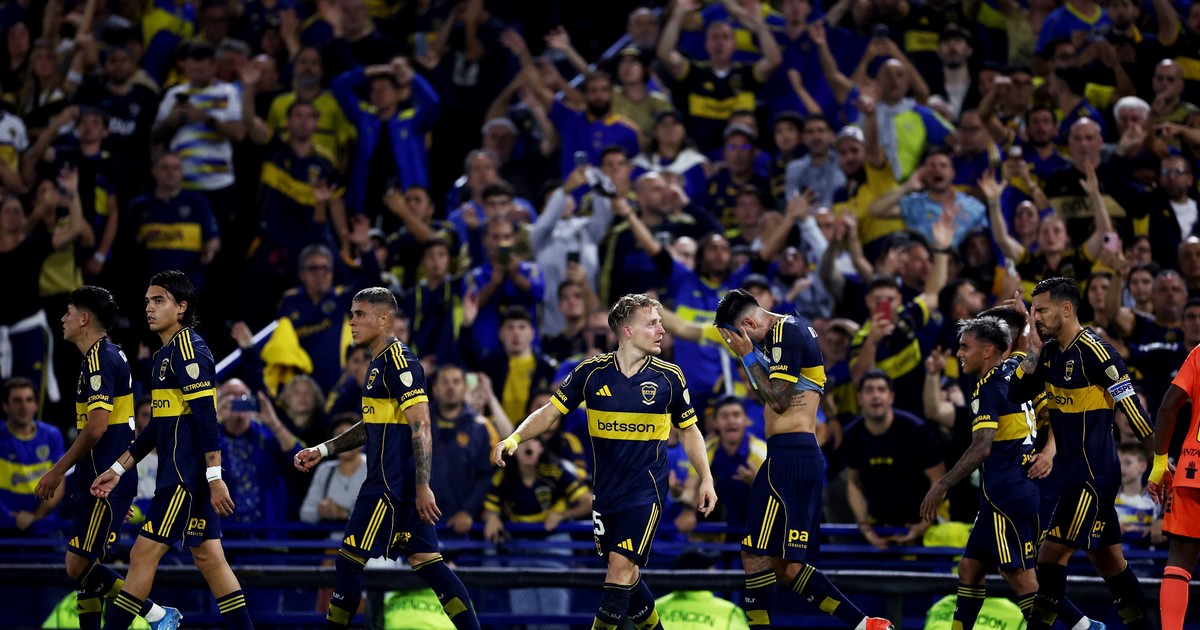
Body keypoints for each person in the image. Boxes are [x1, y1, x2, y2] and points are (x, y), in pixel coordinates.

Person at [493, 293, 717, 630]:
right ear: (627, 331)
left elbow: (689, 431)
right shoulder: (591, 373)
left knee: (618, 568)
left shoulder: (670, 377)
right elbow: (550, 413)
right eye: (652, 324)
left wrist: (706, 478)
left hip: (645, 492)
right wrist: (513, 438)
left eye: (660, 323)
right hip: (606, 494)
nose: (661, 330)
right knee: (628, 576)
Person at [292, 287, 480, 630]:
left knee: (348, 562)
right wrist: (323, 450)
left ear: (384, 319)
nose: (352, 321)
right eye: (351, 314)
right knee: (429, 565)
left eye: (360, 314)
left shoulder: (400, 362)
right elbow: (371, 426)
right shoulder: (377, 363)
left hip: (388, 487)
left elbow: (421, 425)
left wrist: (422, 486)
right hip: (395, 484)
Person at [714, 288, 893, 629]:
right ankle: (865, 625)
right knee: (786, 567)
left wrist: (747, 355)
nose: (736, 343)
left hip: (790, 456)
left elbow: (779, 401)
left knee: (754, 553)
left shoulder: (785, 332)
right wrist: (751, 356)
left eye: (736, 336)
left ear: (748, 324)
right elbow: (773, 395)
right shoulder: (785, 333)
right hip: (794, 455)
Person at [90, 271, 253, 630]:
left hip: (183, 478)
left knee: (141, 554)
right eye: (147, 301)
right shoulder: (164, 355)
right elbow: (157, 428)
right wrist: (117, 470)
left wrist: (215, 477)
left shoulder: (189, 349)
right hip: (186, 476)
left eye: (158, 300)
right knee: (210, 558)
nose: (149, 307)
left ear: (181, 307)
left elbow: (207, 418)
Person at [1009, 277, 1153, 630]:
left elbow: (1134, 412)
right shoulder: (1049, 354)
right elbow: (1016, 393)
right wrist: (1031, 350)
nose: (1036, 317)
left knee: (1049, 556)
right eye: (1033, 311)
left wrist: (1163, 462)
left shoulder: (1097, 352)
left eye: (1042, 310)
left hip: (1094, 478)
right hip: (1075, 477)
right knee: (1109, 561)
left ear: (1066, 308)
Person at [33, 287, 181, 630]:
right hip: (101, 478)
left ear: (84, 318)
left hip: (103, 478)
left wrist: (58, 471)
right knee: (87, 570)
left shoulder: (100, 358)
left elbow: (97, 427)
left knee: (77, 565)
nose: (63, 319)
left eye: (68, 312)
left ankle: (156, 614)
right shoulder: (106, 355)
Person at [918, 316, 1039, 627]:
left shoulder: (989, 388)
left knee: (1022, 579)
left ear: (987, 351)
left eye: (965, 347)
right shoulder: (1015, 368)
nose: (959, 354)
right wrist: (1022, 316)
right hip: (1015, 489)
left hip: (1004, 494)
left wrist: (942, 484)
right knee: (970, 569)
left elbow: (982, 446)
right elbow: (1020, 343)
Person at [1148, 332, 1200, 630]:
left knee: (1178, 562)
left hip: (1193, 468)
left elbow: (1168, 407)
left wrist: (1159, 463)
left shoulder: (1199, 353)